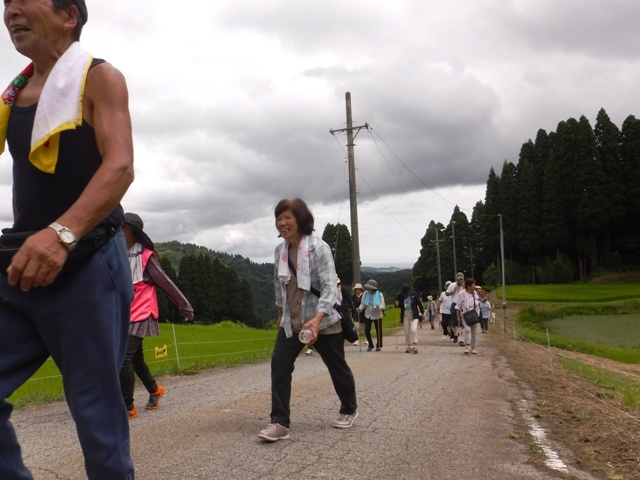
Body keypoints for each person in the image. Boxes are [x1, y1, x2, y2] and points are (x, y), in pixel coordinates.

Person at [0, 1, 136, 478]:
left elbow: (119, 166)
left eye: (24, 0)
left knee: (99, 426)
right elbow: (27, 185)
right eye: (5, 3)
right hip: (22, 264)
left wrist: (60, 235)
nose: (10, 10)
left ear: (68, 16)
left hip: (87, 262)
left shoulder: (99, 78)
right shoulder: (13, 95)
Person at [258, 198, 358, 442]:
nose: (282, 223)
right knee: (279, 365)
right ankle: (280, 422)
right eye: (279, 218)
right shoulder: (280, 251)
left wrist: (317, 318)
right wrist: (280, 313)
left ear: (301, 219)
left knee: (337, 367)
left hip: (322, 321)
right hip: (292, 322)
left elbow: (329, 288)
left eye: (287, 217)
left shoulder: (319, 248)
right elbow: (278, 286)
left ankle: (349, 408)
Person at [120, 213, 194, 419]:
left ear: (133, 232)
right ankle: (154, 390)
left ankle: (127, 407)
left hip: (142, 313)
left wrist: (185, 307)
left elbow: (166, 283)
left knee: (123, 357)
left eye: (122, 229)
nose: (117, 233)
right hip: (124, 314)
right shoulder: (117, 254)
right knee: (135, 358)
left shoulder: (146, 257)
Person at [394, 283, 424, 353]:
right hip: (405, 316)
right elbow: (396, 305)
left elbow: (419, 303)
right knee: (407, 332)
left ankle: (415, 345)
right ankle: (409, 346)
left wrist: (422, 313)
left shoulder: (414, 295)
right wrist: (396, 304)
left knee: (413, 329)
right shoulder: (400, 296)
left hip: (414, 315)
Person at [455, 278, 481, 354]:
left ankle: (473, 347)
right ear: (468, 286)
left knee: (474, 332)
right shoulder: (461, 294)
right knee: (467, 329)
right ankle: (467, 346)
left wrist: (482, 294)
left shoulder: (475, 293)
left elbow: (479, 301)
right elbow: (458, 306)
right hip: (465, 315)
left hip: (474, 314)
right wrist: (458, 316)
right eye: (473, 285)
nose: (475, 286)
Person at [358, 278, 385, 351]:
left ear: (373, 288)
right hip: (368, 314)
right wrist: (359, 309)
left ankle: (379, 345)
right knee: (367, 330)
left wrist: (380, 307)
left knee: (378, 331)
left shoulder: (380, 294)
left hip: (377, 314)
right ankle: (370, 344)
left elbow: (383, 305)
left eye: (369, 287)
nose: (368, 289)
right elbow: (363, 303)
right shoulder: (365, 293)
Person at [446, 272, 466, 346]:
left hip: (463, 304)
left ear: (463, 279)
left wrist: (464, 287)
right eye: (458, 279)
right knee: (453, 323)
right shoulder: (452, 285)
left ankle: (461, 339)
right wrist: (453, 291)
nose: (459, 281)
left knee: (462, 322)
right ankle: (455, 334)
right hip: (454, 303)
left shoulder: (465, 286)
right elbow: (446, 293)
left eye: (461, 279)